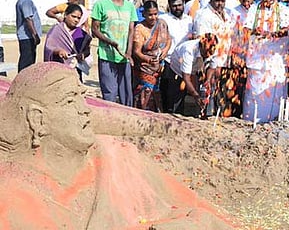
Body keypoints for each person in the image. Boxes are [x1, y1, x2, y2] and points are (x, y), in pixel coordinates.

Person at [0, 62, 234, 229]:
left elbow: (185, 204)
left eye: (82, 98)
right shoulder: (13, 193)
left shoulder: (115, 155)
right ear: (37, 119)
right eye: (70, 101)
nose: (84, 110)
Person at [243, 0, 289, 123]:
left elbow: (288, 30)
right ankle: (251, 120)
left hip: (276, 59)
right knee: (254, 90)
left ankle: (272, 122)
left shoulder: (283, 9)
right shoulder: (254, 8)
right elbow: (246, 29)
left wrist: (273, 34)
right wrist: (255, 31)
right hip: (257, 59)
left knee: (274, 93)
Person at [91, 0, 137, 106]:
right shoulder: (101, 4)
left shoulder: (130, 6)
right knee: (109, 93)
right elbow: (94, 29)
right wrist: (110, 42)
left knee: (126, 94)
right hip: (107, 56)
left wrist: (128, 52)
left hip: (124, 57)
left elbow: (131, 30)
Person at [132, 0, 171, 112]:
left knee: (157, 92)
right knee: (146, 92)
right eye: (150, 15)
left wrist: (165, 51)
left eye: (155, 14)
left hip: (159, 66)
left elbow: (169, 39)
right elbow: (137, 52)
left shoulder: (162, 24)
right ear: (144, 14)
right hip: (145, 68)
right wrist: (149, 60)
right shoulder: (140, 28)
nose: (153, 17)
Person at [159, 0, 194, 113]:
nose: (177, 8)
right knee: (168, 91)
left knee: (181, 90)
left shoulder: (189, 20)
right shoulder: (164, 19)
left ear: (184, 5)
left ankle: (178, 114)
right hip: (168, 60)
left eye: (179, 5)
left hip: (184, 60)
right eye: (174, 6)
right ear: (169, 7)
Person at [168, 33, 218, 115]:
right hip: (177, 71)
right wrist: (196, 96)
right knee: (176, 101)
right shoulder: (189, 50)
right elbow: (186, 78)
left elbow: (212, 67)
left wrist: (208, 80)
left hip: (195, 69)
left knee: (203, 94)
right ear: (201, 46)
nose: (208, 55)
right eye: (206, 53)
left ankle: (199, 114)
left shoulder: (214, 48)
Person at [44, 4, 92, 82]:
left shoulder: (81, 34)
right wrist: (58, 51)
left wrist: (83, 55)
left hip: (75, 70)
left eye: (79, 18)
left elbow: (87, 50)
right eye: (73, 16)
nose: (76, 20)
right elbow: (49, 47)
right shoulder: (56, 30)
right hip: (58, 69)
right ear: (65, 15)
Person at [15, 0, 42, 72]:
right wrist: (35, 35)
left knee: (28, 60)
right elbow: (28, 19)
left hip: (27, 36)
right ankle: (23, 83)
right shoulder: (26, 1)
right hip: (27, 36)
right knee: (27, 62)